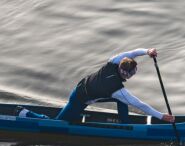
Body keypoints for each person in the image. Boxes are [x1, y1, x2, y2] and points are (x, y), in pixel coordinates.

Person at [17, 48, 175, 123]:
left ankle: (125, 124)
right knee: (58, 123)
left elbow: (133, 52)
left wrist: (148, 51)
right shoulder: (116, 89)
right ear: (128, 73)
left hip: (87, 87)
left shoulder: (115, 60)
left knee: (123, 101)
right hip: (80, 97)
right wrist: (162, 116)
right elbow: (139, 104)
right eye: (133, 73)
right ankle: (25, 113)